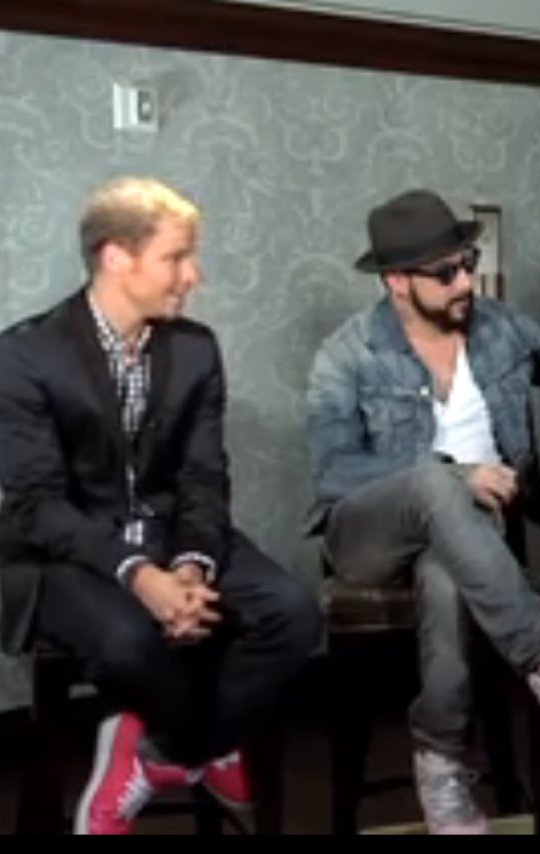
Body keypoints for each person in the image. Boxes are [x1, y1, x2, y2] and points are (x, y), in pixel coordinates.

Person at [0, 177, 322, 834]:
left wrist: (193, 564)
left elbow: (204, 476)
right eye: (176, 257)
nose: (193, 275)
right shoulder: (24, 355)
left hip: (173, 533)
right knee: (131, 641)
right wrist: (140, 576)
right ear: (117, 257)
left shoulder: (195, 348)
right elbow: (39, 507)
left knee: (293, 613)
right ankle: (207, 749)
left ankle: (157, 751)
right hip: (64, 551)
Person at [306, 189, 540, 835]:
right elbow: (334, 472)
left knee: (446, 576)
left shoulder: (500, 328)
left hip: (471, 540)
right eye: (445, 272)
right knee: (433, 482)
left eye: (467, 263)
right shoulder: (348, 354)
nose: (464, 283)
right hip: (367, 535)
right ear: (397, 281)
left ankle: (440, 764)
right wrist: (456, 475)